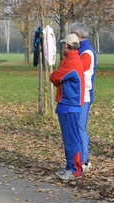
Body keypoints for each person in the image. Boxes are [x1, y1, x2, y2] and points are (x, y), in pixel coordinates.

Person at [50, 33, 85, 181]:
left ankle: (75, 170)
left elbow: (54, 77)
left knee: (72, 140)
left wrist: (58, 80)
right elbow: (57, 78)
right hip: (66, 105)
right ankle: (69, 167)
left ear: (67, 45)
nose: (63, 46)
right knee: (68, 140)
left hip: (70, 105)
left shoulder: (72, 62)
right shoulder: (70, 60)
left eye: (64, 43)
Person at [69, 22, 96, 172]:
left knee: (80, 128)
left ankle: (84, 161)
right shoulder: (80, 50)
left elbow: (76, 70)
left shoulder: (86, 52)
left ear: (78, 35)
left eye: (72, 33)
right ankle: (78, 159)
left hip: (84, 95)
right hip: (78, 94)